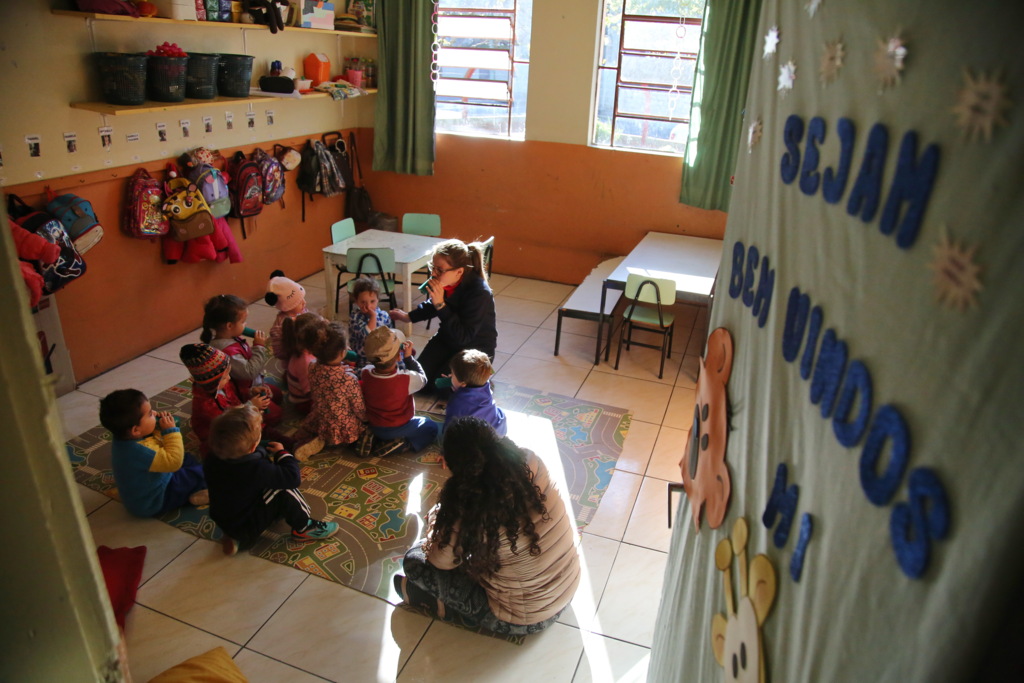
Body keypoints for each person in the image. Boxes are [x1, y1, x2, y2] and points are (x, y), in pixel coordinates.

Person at [394, 417, 580, 635]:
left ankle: (437, 604)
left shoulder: (465, 503)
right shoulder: (530, 461)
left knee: (414, 559)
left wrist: (437, 518)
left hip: (526, 619)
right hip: (568, 588)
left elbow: (440, 561)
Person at [204, 404, 339, 555]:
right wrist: (283, 454)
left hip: (227, 518)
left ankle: (235, 537)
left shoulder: (212, 458)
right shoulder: (256, 468)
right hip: (249, 523)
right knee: (283, 490)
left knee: (246, 491)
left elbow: (248, 455)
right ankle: (304, 528)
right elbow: (292, 478)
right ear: (252, 447)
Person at [390, 239, 497, 386]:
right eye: (432, 267)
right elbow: (432, 304)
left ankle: (481, 380)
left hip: (473, 348)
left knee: (444, 386)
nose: (433, 273)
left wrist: (441, 305)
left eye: (439, 270)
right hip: (448, 337)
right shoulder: (447, 281)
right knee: (420, 381)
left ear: (459, 272)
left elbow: (463, 337)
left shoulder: (479, 293)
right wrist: (408, 317)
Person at [98, 388, 209, 518]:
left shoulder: (124, 438)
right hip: (155, 500)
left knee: (187, 458)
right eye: (150, 414)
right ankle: (204, 492)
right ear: (135, 430)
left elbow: (154, 443)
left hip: (146, 489)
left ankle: (196, 483)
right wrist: (171, 431)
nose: (155, 413)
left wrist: (158, 429)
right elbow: (174, 462)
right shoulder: (140, 451)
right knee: (202, 473)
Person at [179, 343, 276, 457]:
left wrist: (251, 392)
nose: (229, 378)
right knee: (238, 450)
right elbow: (228, 423)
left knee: (272, 418)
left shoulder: (222, 385)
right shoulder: (205, 405)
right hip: (224, 435)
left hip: (240, 419)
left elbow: (237, 392)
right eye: (225, 377)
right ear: (213, 382)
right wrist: (250, 406)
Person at [200, 293, 282, 424]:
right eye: (243, 322)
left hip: (251, 386)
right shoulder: (226, 352)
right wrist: (259, 347)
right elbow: (249, 372)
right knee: (275, 415)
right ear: (229, 326)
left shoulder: (230, 337)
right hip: (241, 394)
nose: (245, 325)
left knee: (277, 394)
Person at [361, 326, 439, 458]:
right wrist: (409, 359)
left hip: (374, 424)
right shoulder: (406, 379)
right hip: (399, 427)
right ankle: (403, 444)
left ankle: (373, 437)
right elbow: (423, 379)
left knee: (379, 428)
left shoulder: (366, 372)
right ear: (398, 357)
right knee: (430, 426)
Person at [302, 321, 371, 459]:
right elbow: (359, 408)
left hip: (322, 416)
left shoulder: (312, 366)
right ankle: (345, 442)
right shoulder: (348, 379)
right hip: (343, 425)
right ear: (343, 352)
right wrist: (367, 419)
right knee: (369, 426)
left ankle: (318, 437)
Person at [444, 349, 507, 437]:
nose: (450, 376)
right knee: (498, 411)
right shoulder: (486, 384)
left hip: (473, 439)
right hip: (497, 433)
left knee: (431, 426)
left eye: (452, 374)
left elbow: (448, 430)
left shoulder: (457, 401)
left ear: (463, 383)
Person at [280, 312, 326, 416]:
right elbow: (310, 392)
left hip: (303, 387)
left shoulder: (303, 347)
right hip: (304, 402)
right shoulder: (306, 362)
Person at [348, 277, 393, 367]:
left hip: (382, 354)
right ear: (356, 301)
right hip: (364, 357)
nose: (368, 306)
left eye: (372, 301)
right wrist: (373, 317)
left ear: (378, 299)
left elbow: (390, 334)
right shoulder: (355, 317)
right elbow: (368, 338)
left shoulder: (384, 315)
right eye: (363, 302)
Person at [265, 270, 309, 361]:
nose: (304, 303)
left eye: (303, 299)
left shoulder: (303, 311)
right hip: (292, 359)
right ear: (288, 306)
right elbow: (278, 348)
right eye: (299, 302)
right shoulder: (281, 323)